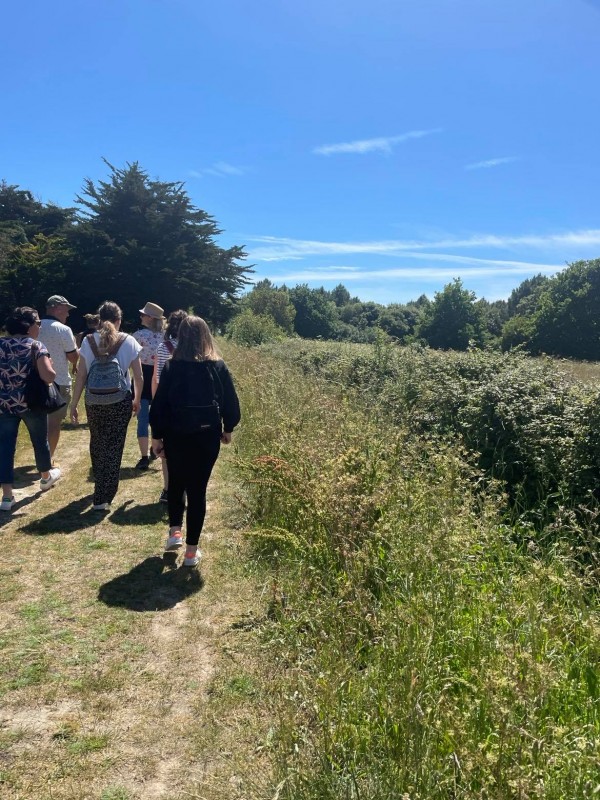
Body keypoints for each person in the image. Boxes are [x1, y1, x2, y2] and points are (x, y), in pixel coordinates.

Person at [150, 316, 241, 567]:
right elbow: (230, 402)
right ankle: (191, 552)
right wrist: (228, 428)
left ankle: (174, 533)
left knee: (177, 483)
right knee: (198, 489)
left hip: (176, 434)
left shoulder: (172, 366)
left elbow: (159, 405)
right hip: (206, 435)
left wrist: (157, 436)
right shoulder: (217, 366)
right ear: (206, 336)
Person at [70, 301, 143, 511]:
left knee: (97, 441)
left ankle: (100, 486)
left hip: (93, 400)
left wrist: (74, 404)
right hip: (120, 400)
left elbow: (82, 375)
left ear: (99, 319)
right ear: (119, 320)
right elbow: (138, 377)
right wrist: (136, 400)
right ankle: (103, 495)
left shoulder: (88, 340)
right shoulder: (129, 341)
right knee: (114, 445)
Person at [0, 307, 62, 511]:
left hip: (4, 404)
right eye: (38, 323)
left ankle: (7, 496)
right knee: (39, 441)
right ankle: (45, 476)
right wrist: (50, 364)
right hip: (31, 403)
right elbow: (49, 376)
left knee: (6, 449)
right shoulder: (36, 346)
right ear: (28, 326)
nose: (40, 326)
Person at [151, 309, 188, 503]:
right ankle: (187, 488)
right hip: (188, 406)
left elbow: (156, 379)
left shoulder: (162, 347)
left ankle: (168, 489)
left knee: (167, 451)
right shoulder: (193, 348)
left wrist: (156, 406)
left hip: (167, 404)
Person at [37, 295, 79, 460]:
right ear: (58, 308)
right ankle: (47, 460)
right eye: (67, 310)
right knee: (54, 424)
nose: (68, 314)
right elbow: (73, 358)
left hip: (36, 381)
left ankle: (40, 456)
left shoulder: (34, 326)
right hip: (59, 381)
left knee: (39, 423)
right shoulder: (63, 329)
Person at [132, 301, 165, 470]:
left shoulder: (138, 336)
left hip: (143, 377)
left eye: (143, 314)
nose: (140, 316)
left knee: (143, 418)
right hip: (161, 377)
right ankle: (156, 447)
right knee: (160, 416)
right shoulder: (166, 337)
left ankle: (144, 456)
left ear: (149, 318)